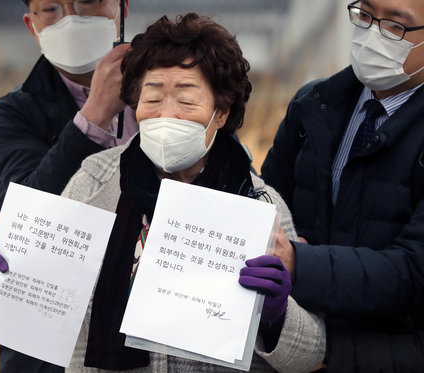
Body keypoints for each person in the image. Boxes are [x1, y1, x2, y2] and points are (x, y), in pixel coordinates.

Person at [61, 13, 325, 372]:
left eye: (186, 102)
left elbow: (309, 354)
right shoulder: (94, 183)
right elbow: (53, 308)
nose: (167, 115)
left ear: (221, 112)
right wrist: (19, 273)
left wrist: (276, 313)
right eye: (152, 100)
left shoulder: (256, 205)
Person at [261, 0, 424, 371]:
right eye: (365, 16)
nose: (371, 35)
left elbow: (415, 270)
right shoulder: (312, 105)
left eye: (395, 26)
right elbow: (264, 204)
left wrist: (299, 263)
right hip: (293, 346)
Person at [0, 0, 134, 371]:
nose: (72, 19)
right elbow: (27, 215)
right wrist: (93, 116)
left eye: (88, 1)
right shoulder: (14, 114)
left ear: (122, 8)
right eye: (51, 8)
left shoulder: (176, 91)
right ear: (33, 27)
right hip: (53, 347)